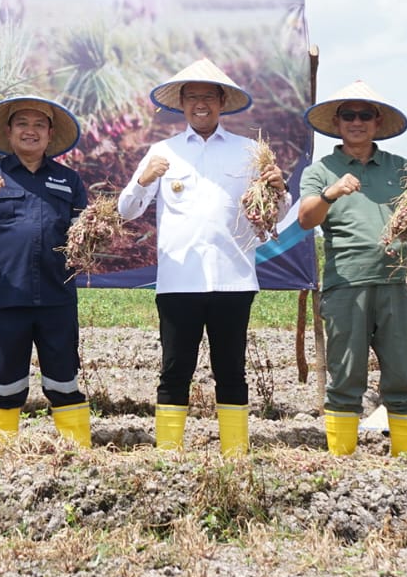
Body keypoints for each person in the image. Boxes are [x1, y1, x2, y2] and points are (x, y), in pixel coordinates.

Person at [118, 60, 289, 456]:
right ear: (180, 103)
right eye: (192, 96)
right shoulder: (162, 152)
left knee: (231, 371)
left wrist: (279, 192)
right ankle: (168, 453)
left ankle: (235, 453)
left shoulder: (251, 153)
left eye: (208, 96)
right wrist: (143, 180)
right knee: (175, 369)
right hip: (179, 282)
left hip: (234, 281)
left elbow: (275, 215)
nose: (200, 104)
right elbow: (127, 210)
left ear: (222, 102)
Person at [0, 97, 91, 448]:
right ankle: (4, 459)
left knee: (64, 383)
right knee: (6, 384)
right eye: (22, 124)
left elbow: (85, 236)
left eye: (39, 125)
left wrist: (93, 232)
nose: (30, 131)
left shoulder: (69, 180)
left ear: (50, 134)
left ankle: (78, 457)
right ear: (9, 132)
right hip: (6, 299)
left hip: (57, 299)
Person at [297, 80, 407, 458]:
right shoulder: (322, 171)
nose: (357, 122)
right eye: (348, 115)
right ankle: (342, 461)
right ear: (337, 123)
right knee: (346, 376)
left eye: (365, 115)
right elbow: (306, 218)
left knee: (402, 377)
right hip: (346, 284)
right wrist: (329, 194)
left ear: (377, 121)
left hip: (397, 284)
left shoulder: (403, 170)